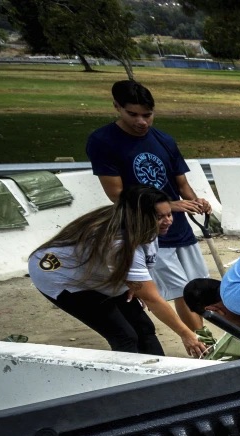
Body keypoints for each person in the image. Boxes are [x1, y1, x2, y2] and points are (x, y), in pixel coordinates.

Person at [86, 79, 212, 334]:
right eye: (132, 114)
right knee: (180, 290)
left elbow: (182, 183)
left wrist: (197, 201)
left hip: (179, 228)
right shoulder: (103, 141)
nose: (141, 121)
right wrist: (169, 206)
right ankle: (203, 343)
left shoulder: (164, 139)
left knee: (197, 287)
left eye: (147, 115)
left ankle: (204, 338)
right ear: (117, 108)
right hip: (146, 232)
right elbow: (117, 195)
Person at [28, 185, 206, 358]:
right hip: (59, 276)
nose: (168, 221)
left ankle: (161, 375)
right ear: (139, 217)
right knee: (124, 335)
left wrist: (134, 284)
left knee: (143, 327)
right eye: (160, 217)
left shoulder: (147, 228)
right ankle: (132, 384)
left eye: (169, 214)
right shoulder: (120, 244)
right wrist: (186, 334)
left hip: (95, 269)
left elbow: (143, 274)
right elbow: (153, 298)